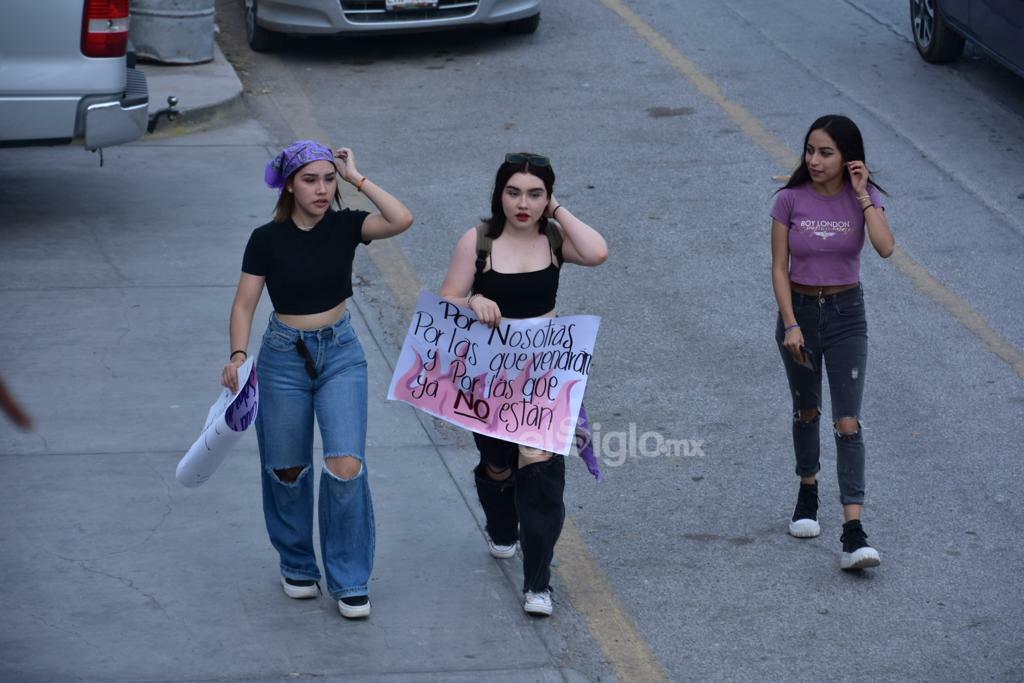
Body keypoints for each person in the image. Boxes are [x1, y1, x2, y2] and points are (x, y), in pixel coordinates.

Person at [222, 140, 413, 618]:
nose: (322, 189)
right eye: (311, 179)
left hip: (341, 353)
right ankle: (298, 563)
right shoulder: (266, 238)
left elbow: (401, 218)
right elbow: (244, 304)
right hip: (283, 357)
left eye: (329, 179)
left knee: (346, 464)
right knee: (287, 469)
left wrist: (358, 177)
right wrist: (238, 356)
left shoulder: (348, 226)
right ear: (290, 184)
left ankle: (349, 578)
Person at [439, 152, 608, 615]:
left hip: (544, 373)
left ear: (547, 198)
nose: (523, 203)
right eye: (513, 192)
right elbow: (446, 301)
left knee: (540, 473)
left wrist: (558, 211)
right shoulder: (478, 242)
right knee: (497, 465)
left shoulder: (554, 239)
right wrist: (473, 298)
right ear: (499, 193)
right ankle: (501, 525)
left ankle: (538, 583)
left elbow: (596, 252)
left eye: (535, 194)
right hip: (488, 374)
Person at [770, 115, 895, 571]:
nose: (814, 160)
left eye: (826, 152)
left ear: (848, 158)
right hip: (799, 313)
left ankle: (853, 532)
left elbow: (885, 247)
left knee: (847, 421)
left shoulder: (863, 198)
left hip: (847, 316)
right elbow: (779, 268)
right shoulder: (789, 200)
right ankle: (808, 492)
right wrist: (790, 324)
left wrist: (863, 195)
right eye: (810, 150)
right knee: (807, 410)